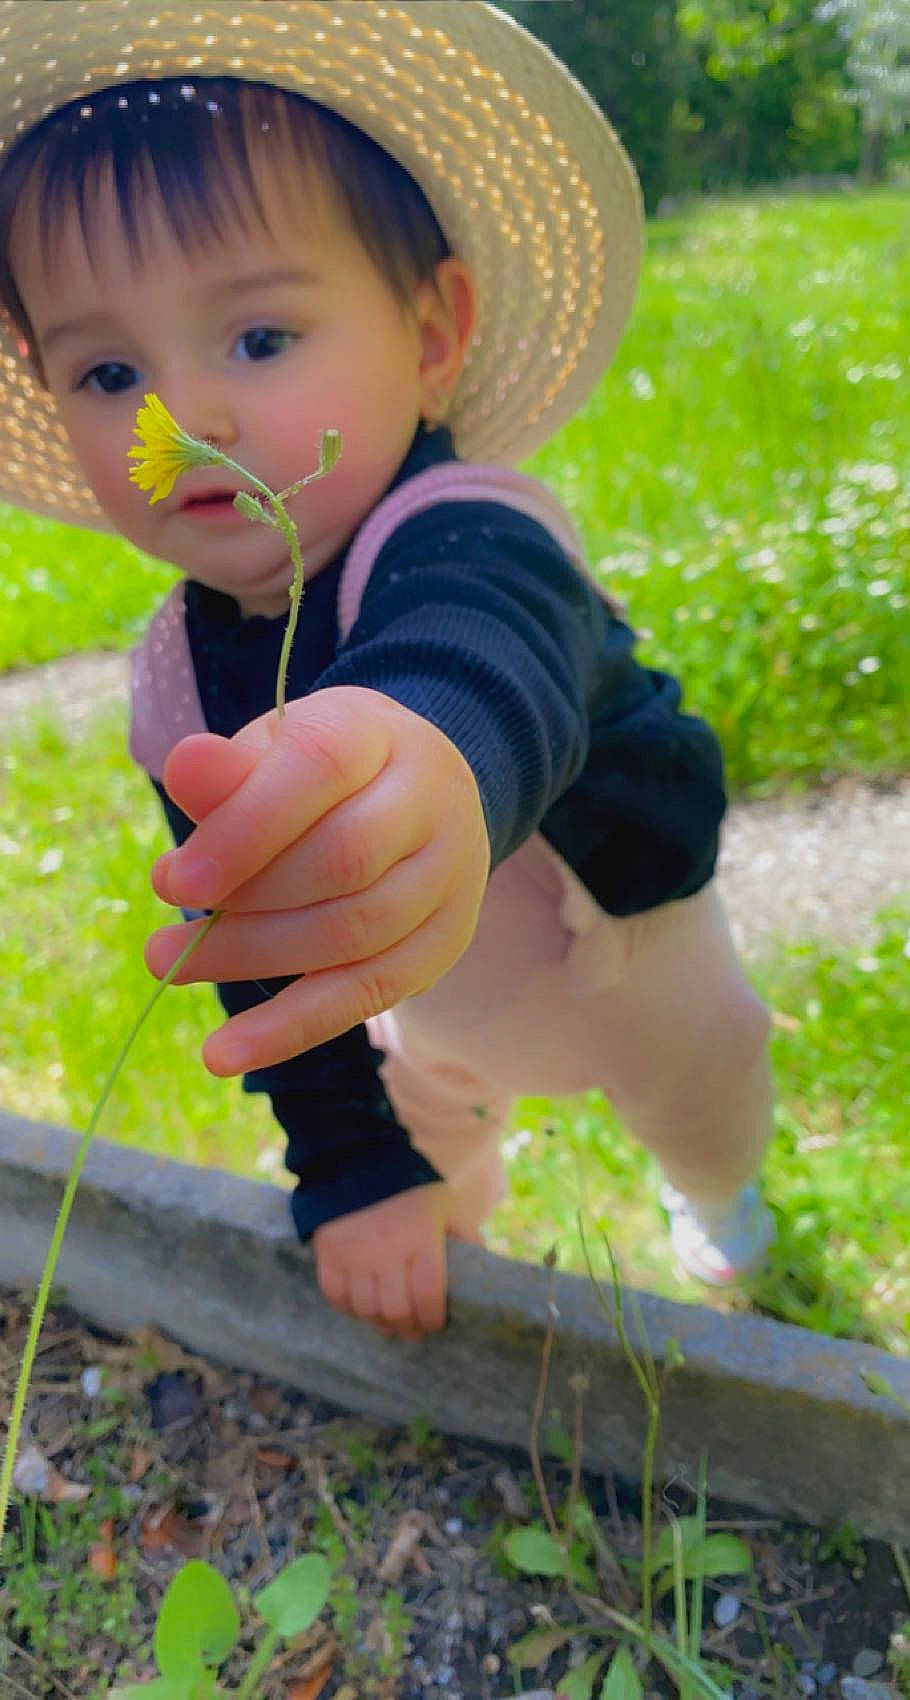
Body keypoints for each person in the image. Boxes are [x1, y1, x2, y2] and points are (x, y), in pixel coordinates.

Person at [0, 1, 775, 1341]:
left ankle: (721, 1207)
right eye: (112, 369)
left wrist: (427, 745)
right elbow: (263, 957)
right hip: (425, 994)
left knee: (704, 1101)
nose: (188, 423)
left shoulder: (471, 530)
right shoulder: (183, 685)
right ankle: (444, 1202)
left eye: (258, 339)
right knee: (435, 1112)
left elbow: (478, 653)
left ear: (430, 335)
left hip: (628, 938)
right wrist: (350, 1175)